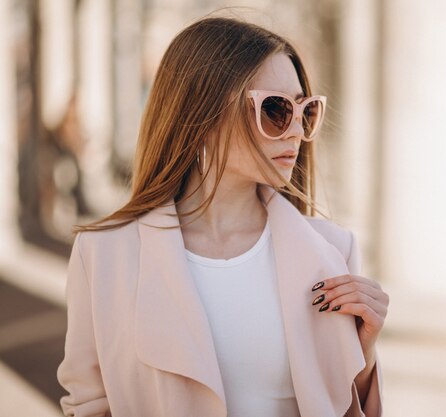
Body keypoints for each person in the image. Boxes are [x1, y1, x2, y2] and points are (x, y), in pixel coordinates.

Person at [57, 15, 388, 417]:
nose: (297, 131)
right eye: (276, 109)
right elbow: (90, 406)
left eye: (306, 110)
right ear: (202, 114)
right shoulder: (103, 255)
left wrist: (364, 352)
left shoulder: (334, 250)